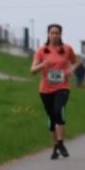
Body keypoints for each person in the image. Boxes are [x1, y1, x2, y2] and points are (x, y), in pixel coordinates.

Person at [30, 24, 81, 160]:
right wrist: (43, 65)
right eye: (52, 33)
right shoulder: (42, 51)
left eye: (57, 33)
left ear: (61, 34)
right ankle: (56, 145)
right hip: (45, 89)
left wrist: (71, 70)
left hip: (62, 87)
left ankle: (61, 143)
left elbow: (76, 62)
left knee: (59, 111)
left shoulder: (67, 49)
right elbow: (33, 70)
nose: (54, 35)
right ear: (48, 34)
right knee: (51, 118)